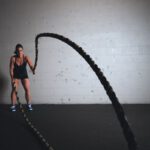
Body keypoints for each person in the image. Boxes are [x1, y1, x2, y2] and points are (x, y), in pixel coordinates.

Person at [9, 44, 35, 112]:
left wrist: (33, 69)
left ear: (22, 51)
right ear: (16, 51)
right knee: (14, 90)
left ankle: (29, 105)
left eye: (21, 50)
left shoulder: (26, 57)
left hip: (24, 75)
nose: (20, 52)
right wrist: (12, 79)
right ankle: (13, 106)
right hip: (16, 76)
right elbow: (11, 69)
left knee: (27, 90)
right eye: (18, 51)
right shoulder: (13, 58)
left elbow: (31, 66)